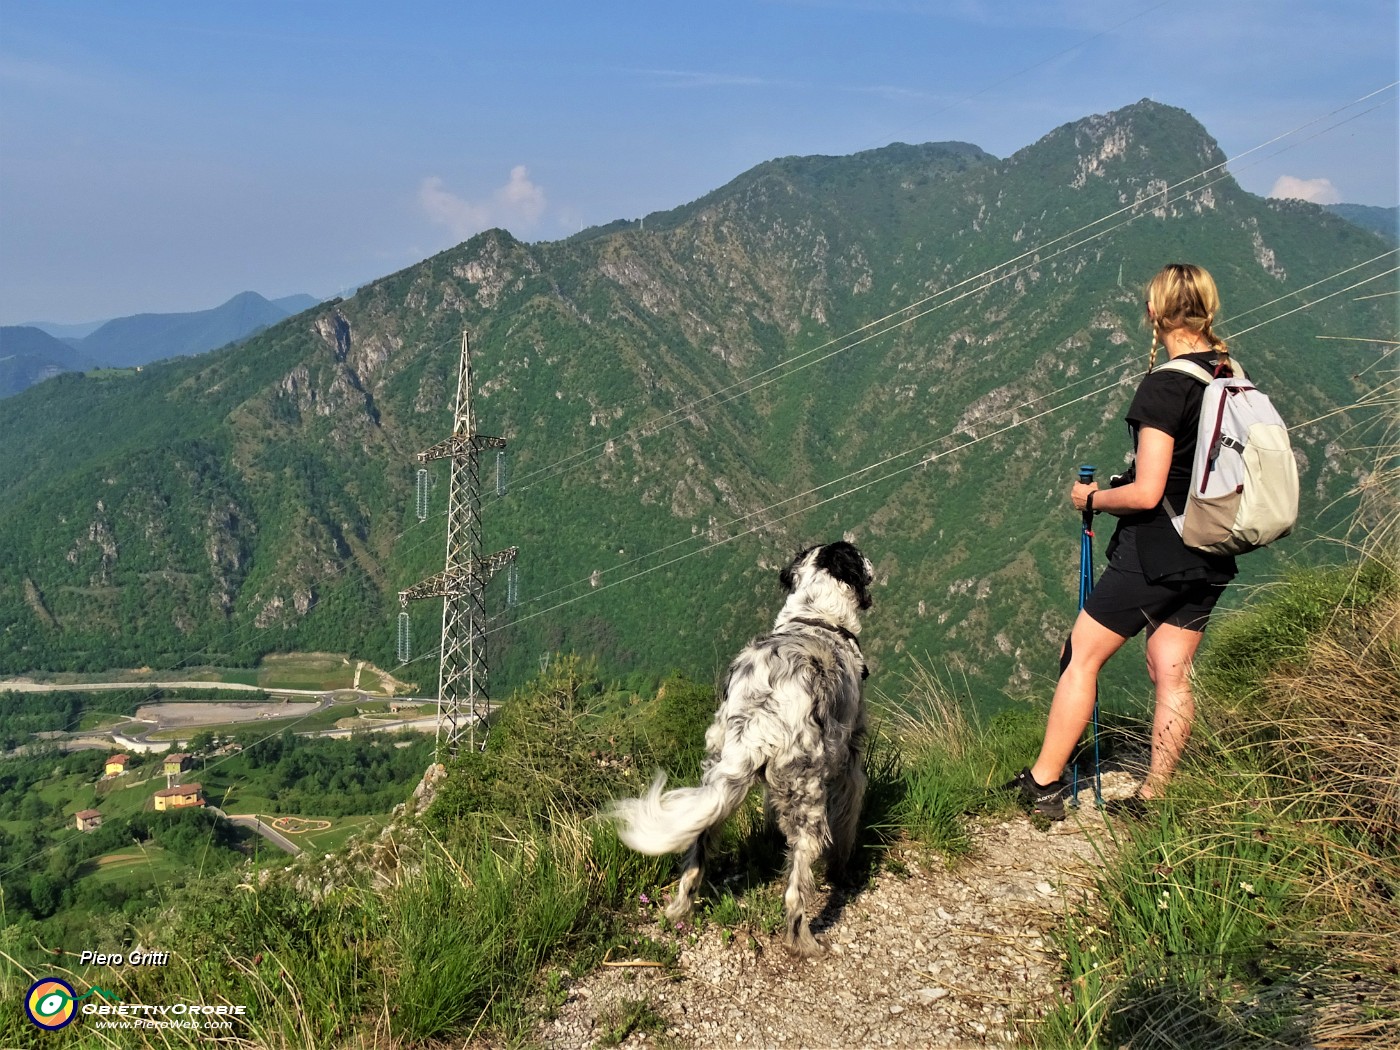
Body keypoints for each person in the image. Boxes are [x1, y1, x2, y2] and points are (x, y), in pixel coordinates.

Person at [1007, 263, 1240, 819]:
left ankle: (1044, 785)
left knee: (1078, 657)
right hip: (1216, 542)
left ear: (1156, 313)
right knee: (1171, 668)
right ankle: (1154, 797)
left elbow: (1147, 491)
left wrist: (1091, 500)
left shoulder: (1167, 384)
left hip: (1158, 550)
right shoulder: (1228, 374)